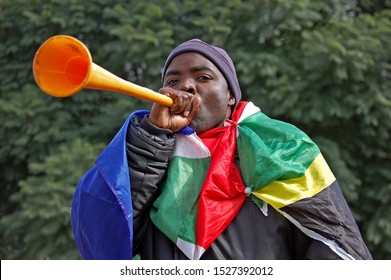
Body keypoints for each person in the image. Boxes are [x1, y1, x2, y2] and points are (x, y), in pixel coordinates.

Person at [71, 39, 373, 260]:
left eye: (203, 78)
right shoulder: (141, 151)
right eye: (172, 80)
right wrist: (152, 137)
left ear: (230, 96)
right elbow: (101, 240)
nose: (185, 87)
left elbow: (335, 245)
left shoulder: (283, 148)